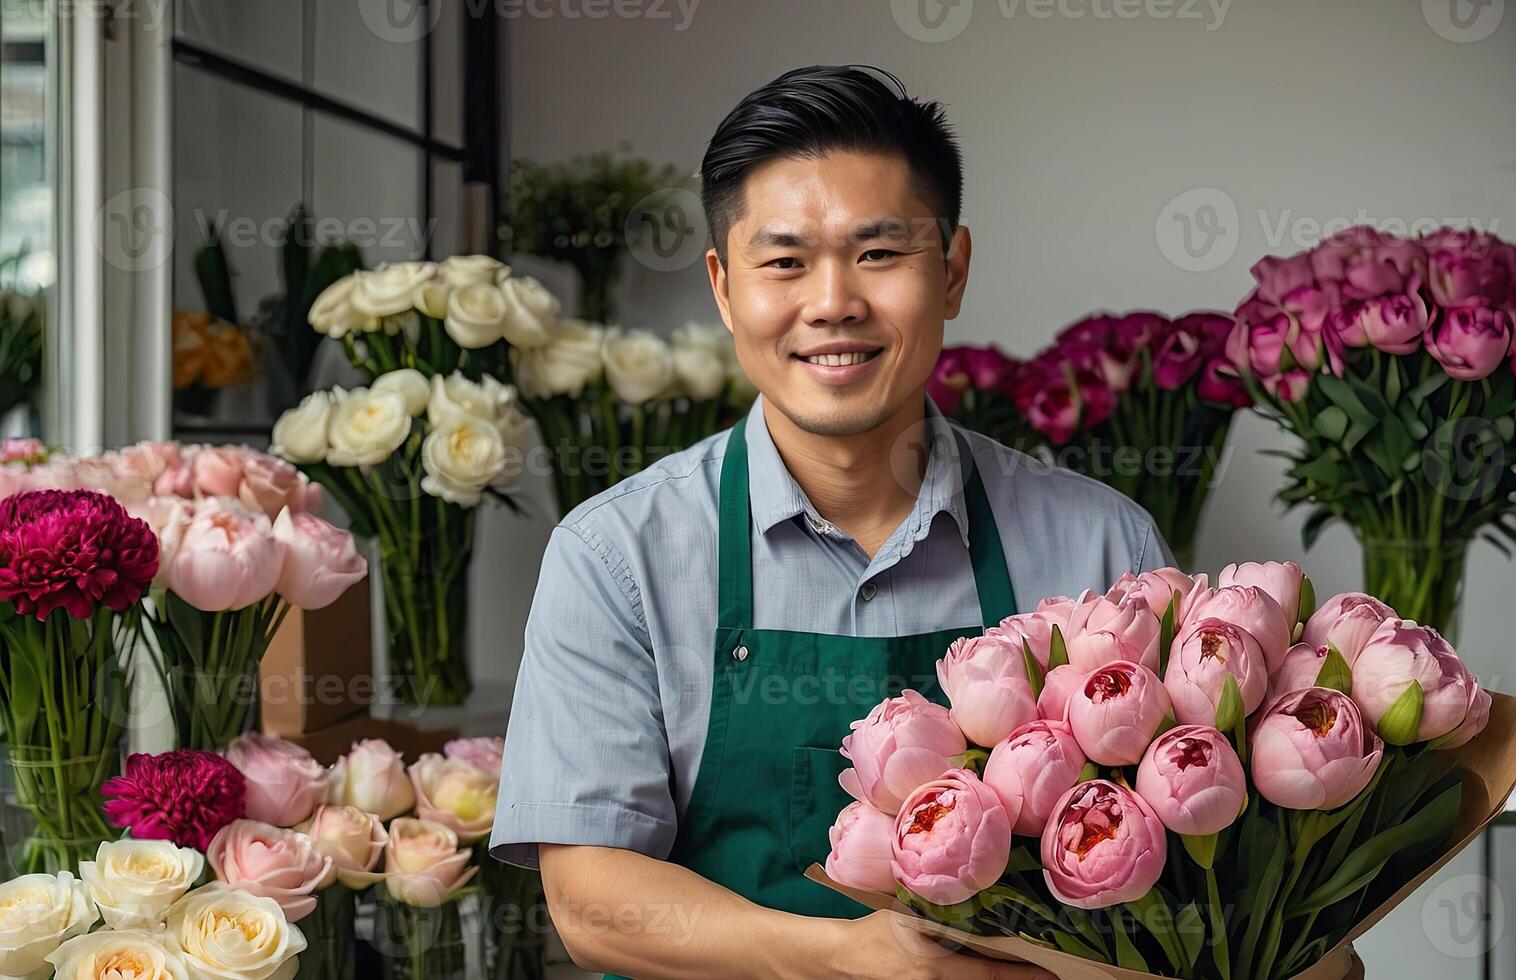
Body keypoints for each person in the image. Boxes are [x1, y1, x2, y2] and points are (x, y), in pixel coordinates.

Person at [492, 65, 1172, 979]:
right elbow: (593, 902)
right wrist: (844, 958)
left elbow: (1176, 884)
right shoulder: (616, 557)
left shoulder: (1103, 549)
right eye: (784, 261)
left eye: (879, 253)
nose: (833, 303)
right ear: (725, 287)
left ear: (954, 270)